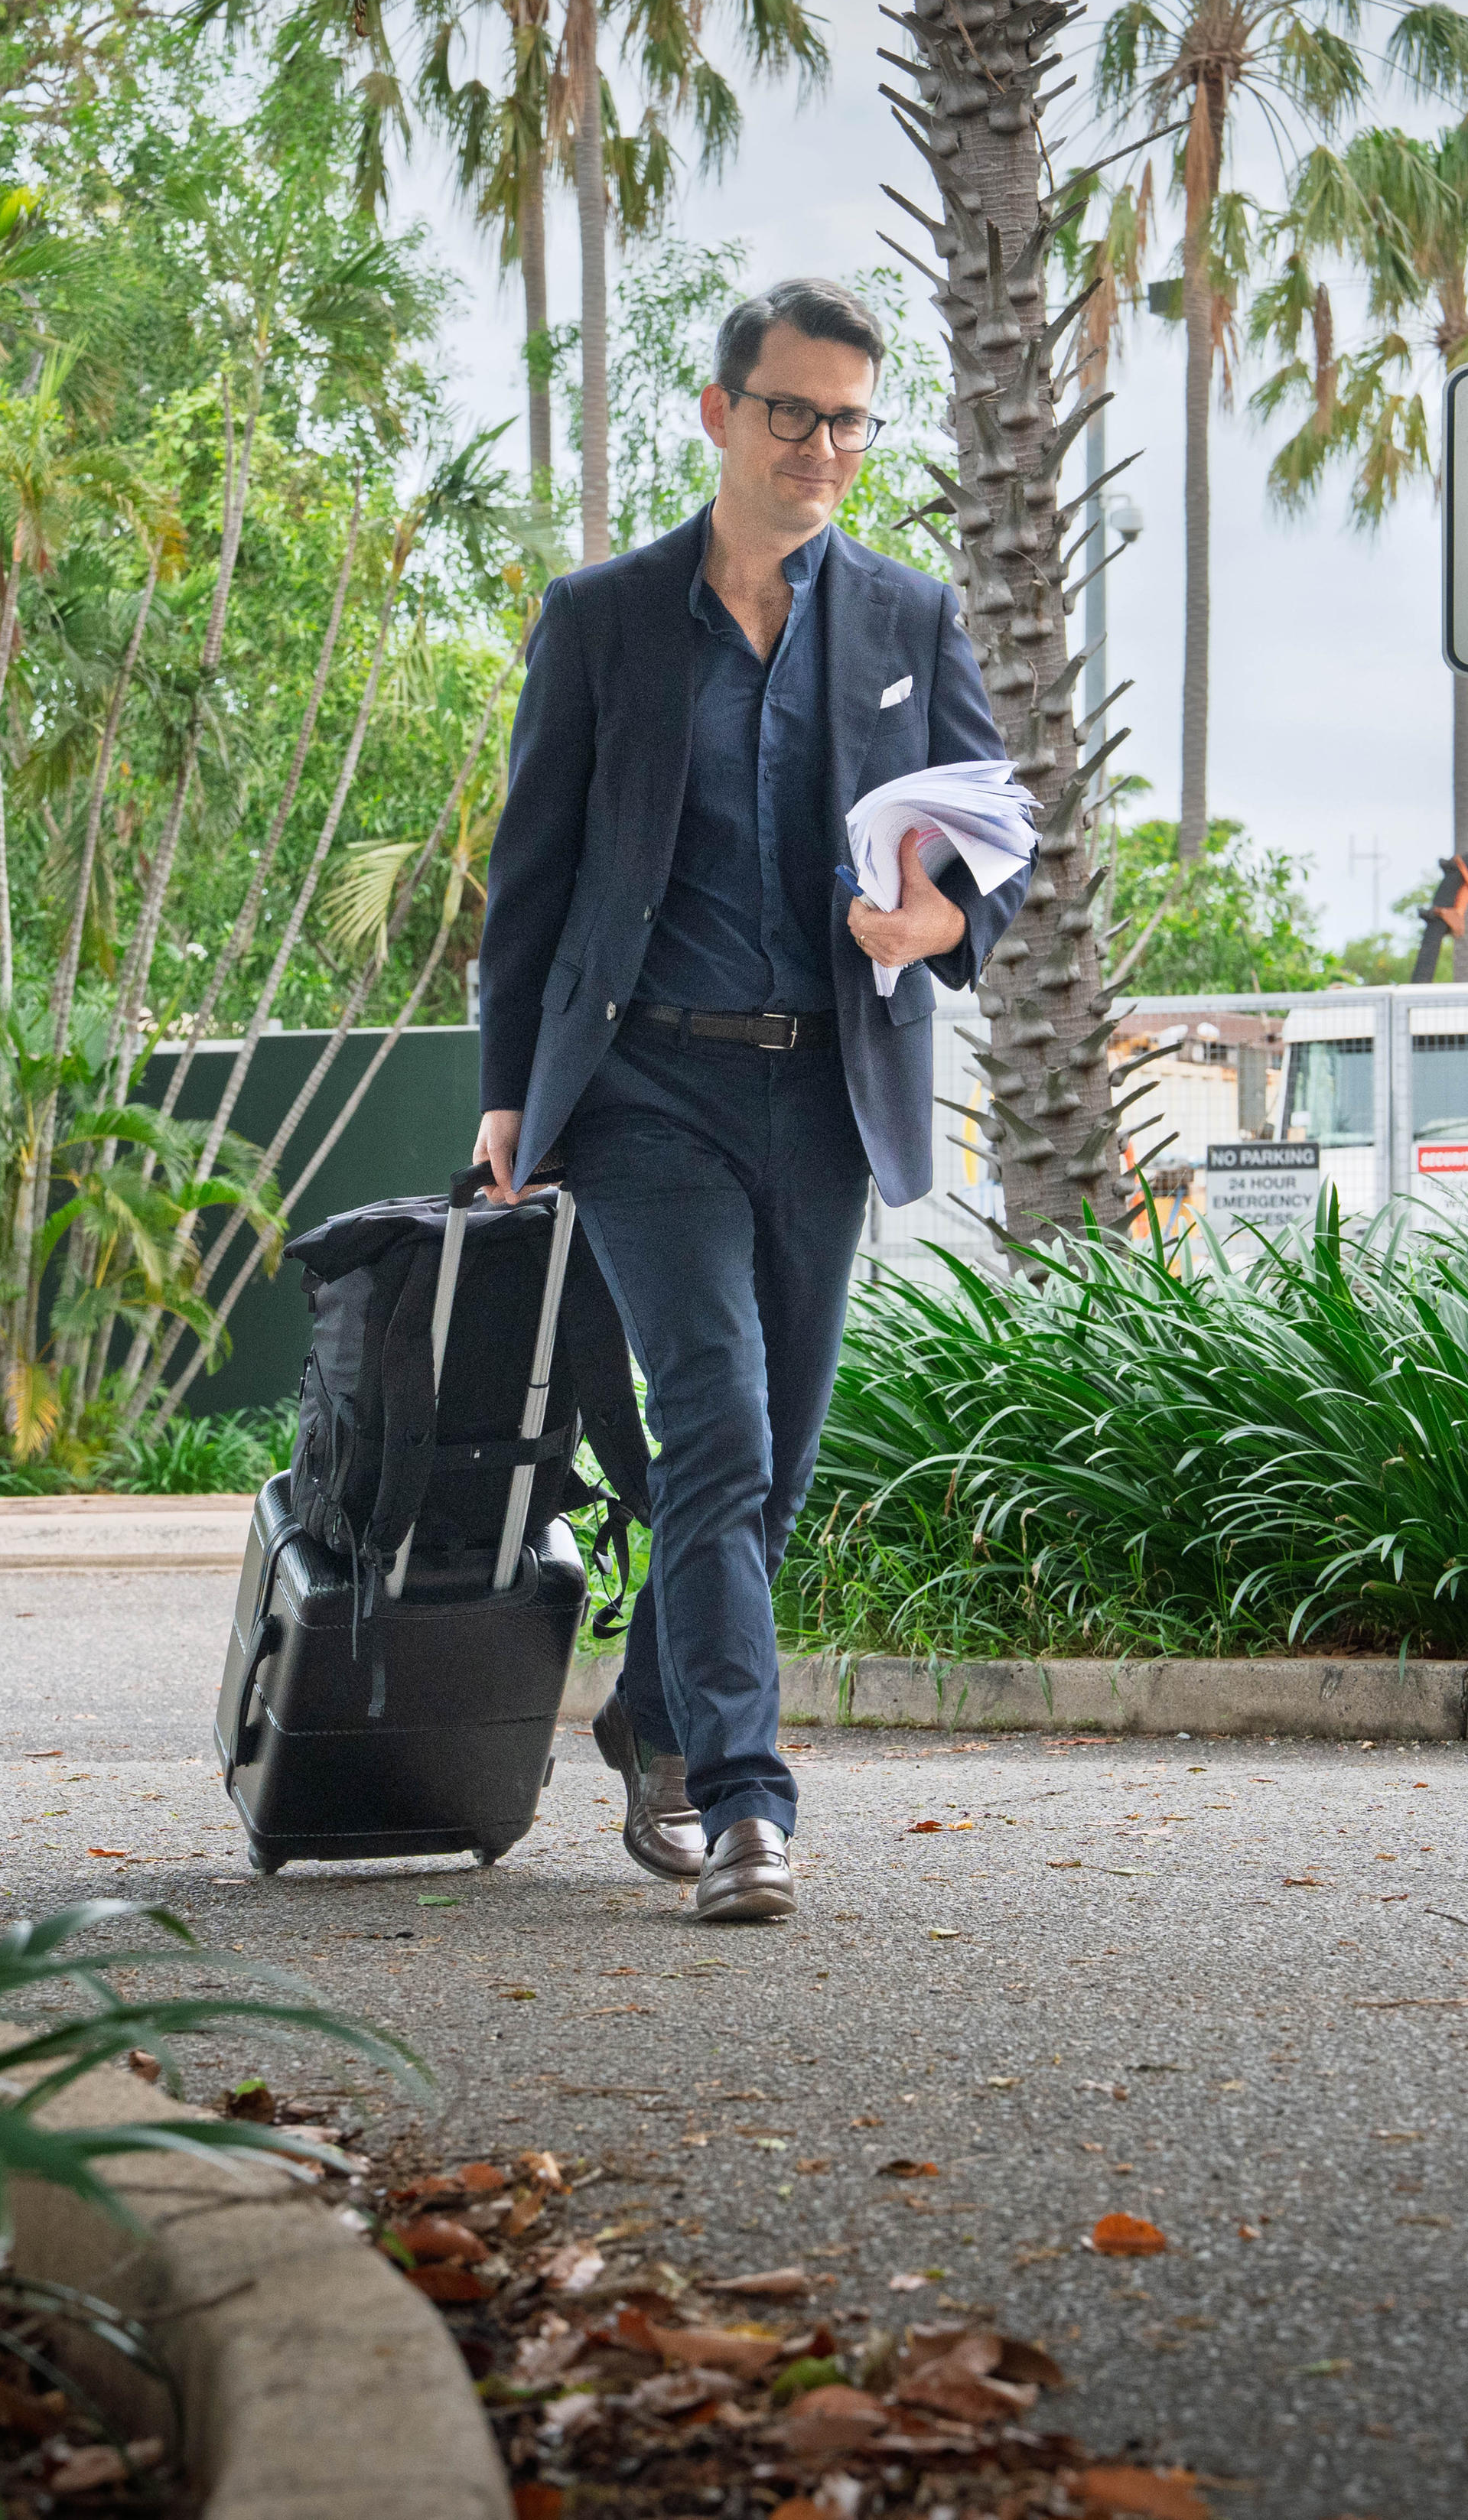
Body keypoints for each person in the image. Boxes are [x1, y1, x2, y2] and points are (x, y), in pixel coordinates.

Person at [471, 277, 1030, 1923]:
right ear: (719, 413)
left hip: (826, 1088)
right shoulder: (603, 619)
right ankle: (743, 1802)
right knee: (712, 1420)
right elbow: (534, 876)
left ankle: (651, 1709)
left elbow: (996, 841)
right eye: (793, 412)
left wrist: (933, 922)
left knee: (770, 1457)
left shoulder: (906, 621)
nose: (824, 446)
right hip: (646, 1086)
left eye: (852, 419)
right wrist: (513, 1093)